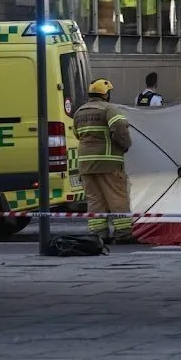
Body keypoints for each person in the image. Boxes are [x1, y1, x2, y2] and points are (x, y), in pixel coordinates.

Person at [74, 79, 135, 243]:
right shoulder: (109, 109)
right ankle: (123, 234)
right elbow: (120, 126)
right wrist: (125, 145)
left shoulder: (79, 111)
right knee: (117, 198)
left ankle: (98, 234)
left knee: (95, 200)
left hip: (86, 164)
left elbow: (77, 134)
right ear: (106, 94)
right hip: (109, 163)